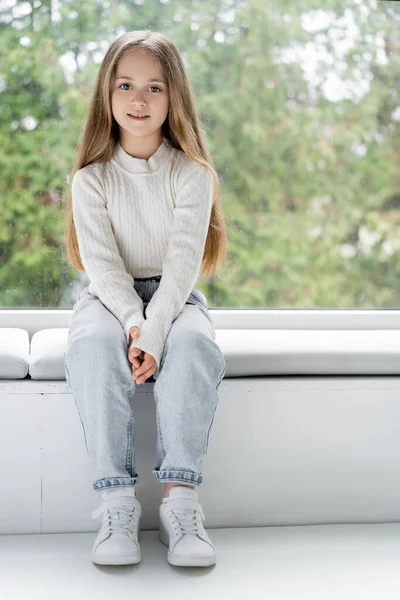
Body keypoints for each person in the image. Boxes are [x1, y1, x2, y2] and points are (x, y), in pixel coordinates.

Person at [63, 30, 227, 568]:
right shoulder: (91, 180)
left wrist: (155, 331)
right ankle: (116, 504)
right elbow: (104, 271)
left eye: (155, 88)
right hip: (109, 300)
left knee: (197, 346)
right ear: (106, 95)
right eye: (126, 85)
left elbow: (182, 267)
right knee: (90, 344)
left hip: (174, 298)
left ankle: (182, 502)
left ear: (174, 96)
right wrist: (136, 324)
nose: (139, 100)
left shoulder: (192, 175)